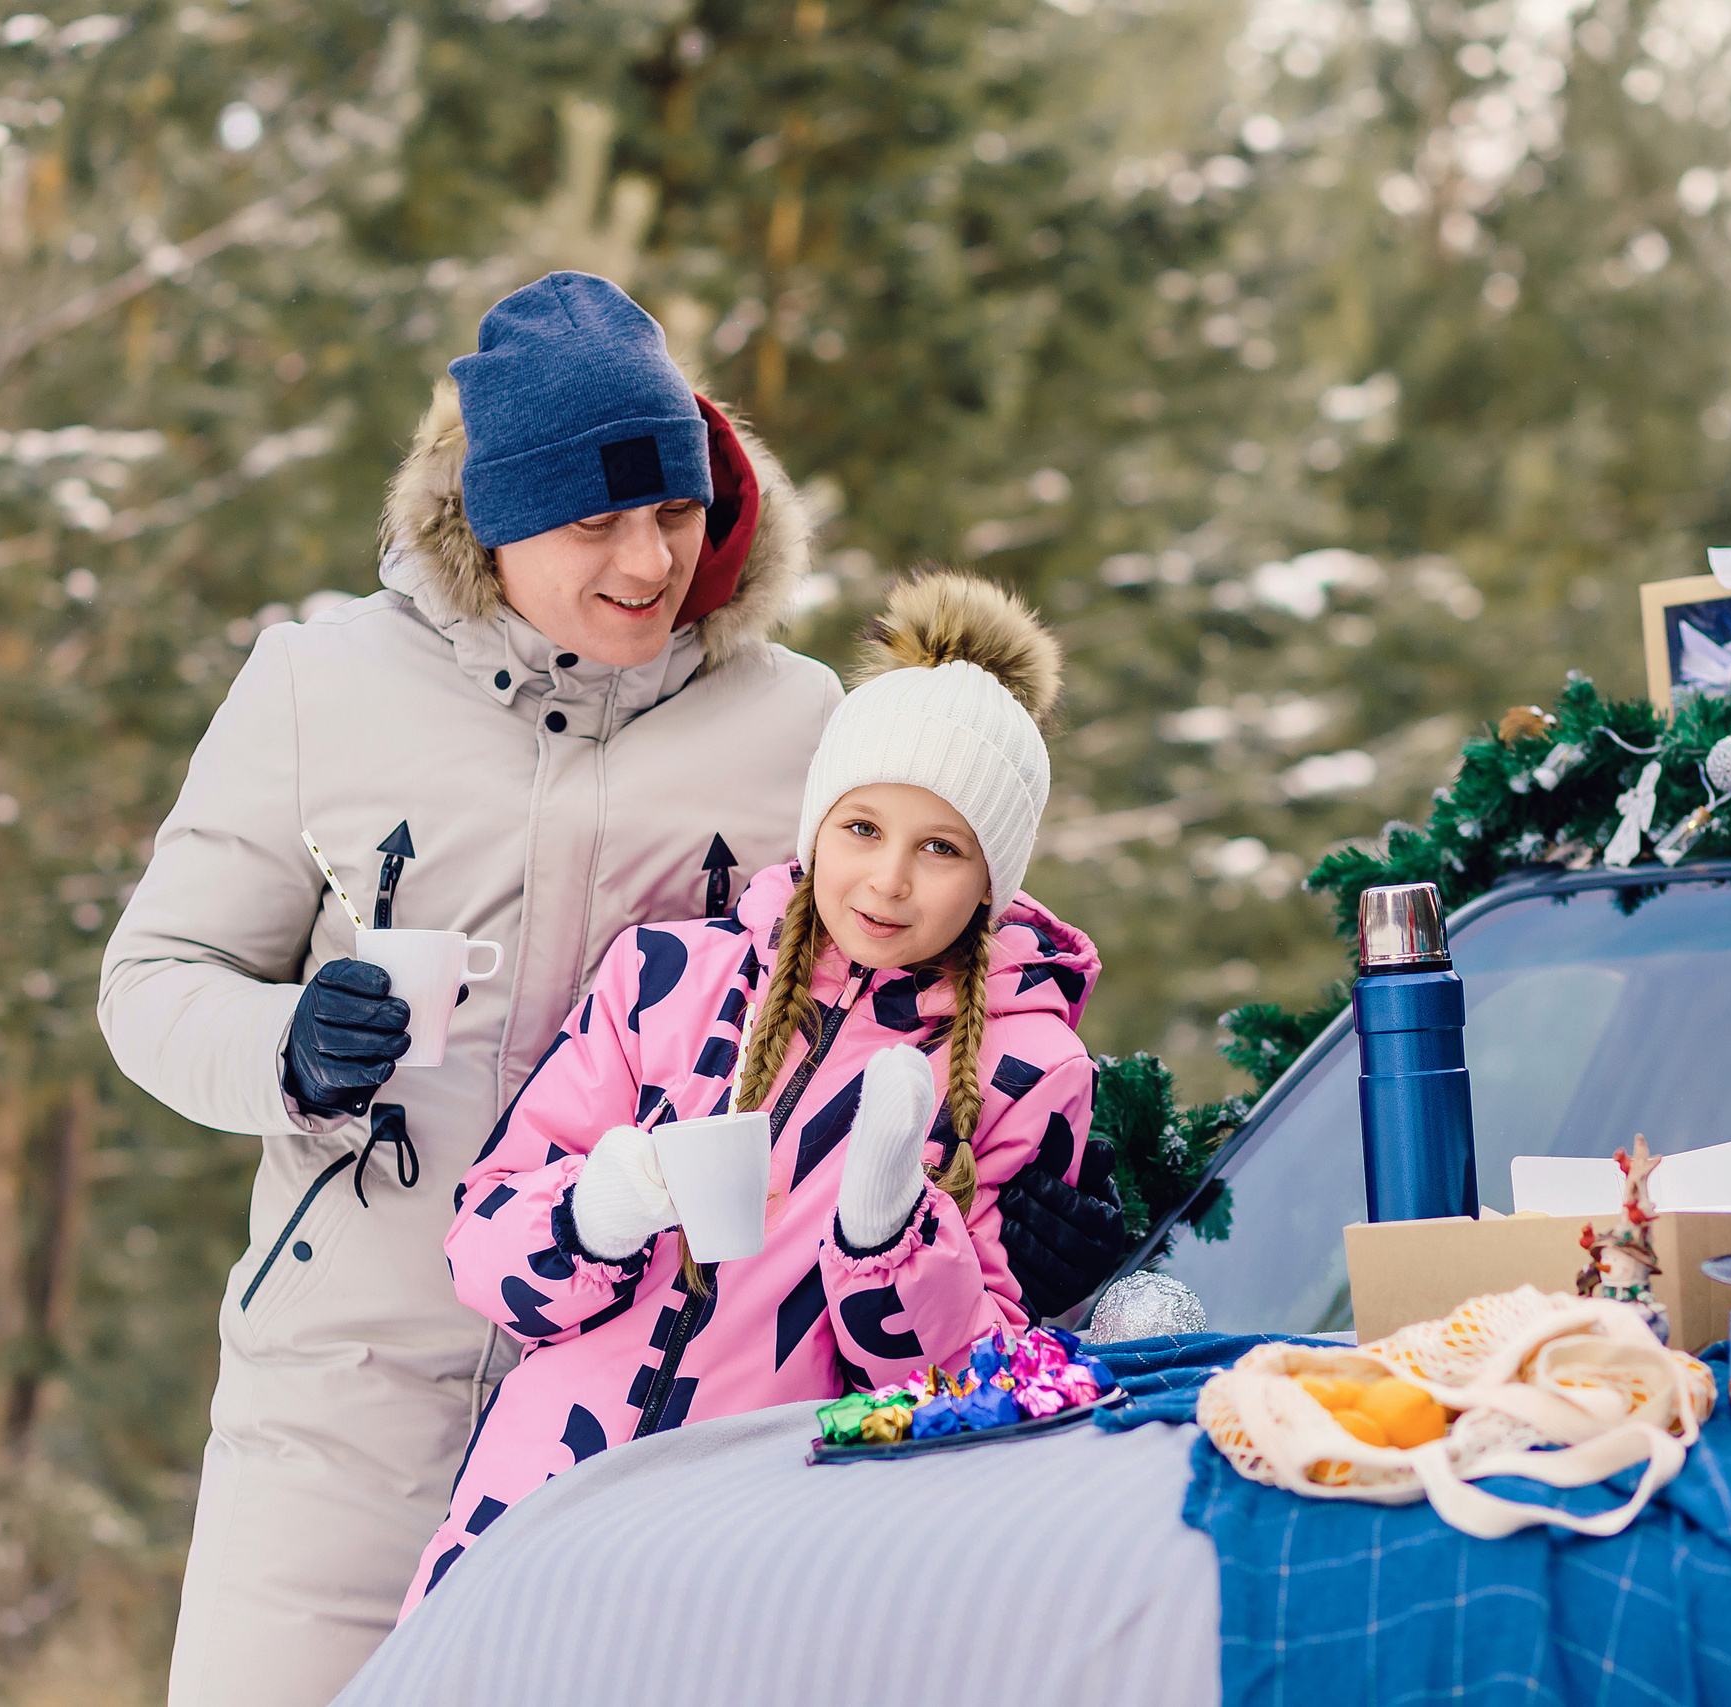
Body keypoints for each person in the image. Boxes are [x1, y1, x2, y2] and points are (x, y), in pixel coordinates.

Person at [97, 274, 1130, 1707]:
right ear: (495, 521)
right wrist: (291, 1044)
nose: (651, 559)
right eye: (596, 522)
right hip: (348, 1388)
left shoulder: (796, 723)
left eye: (676, 509)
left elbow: (929, 974)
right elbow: (152, 981)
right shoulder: (316, 687)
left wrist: (1016, 1226)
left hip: (660, 1407)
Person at [399, 573, 1100, 1611]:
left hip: (761, 1547)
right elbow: (483, 1254)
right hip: (534, 1507)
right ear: (816, 824)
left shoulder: (1027, 1069)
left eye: (940, 848)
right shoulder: (665, 978)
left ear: (992, 877)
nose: (888, 880)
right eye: (862, 828)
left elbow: (970, 1395)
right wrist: (597, 1212)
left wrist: (888, 1237)